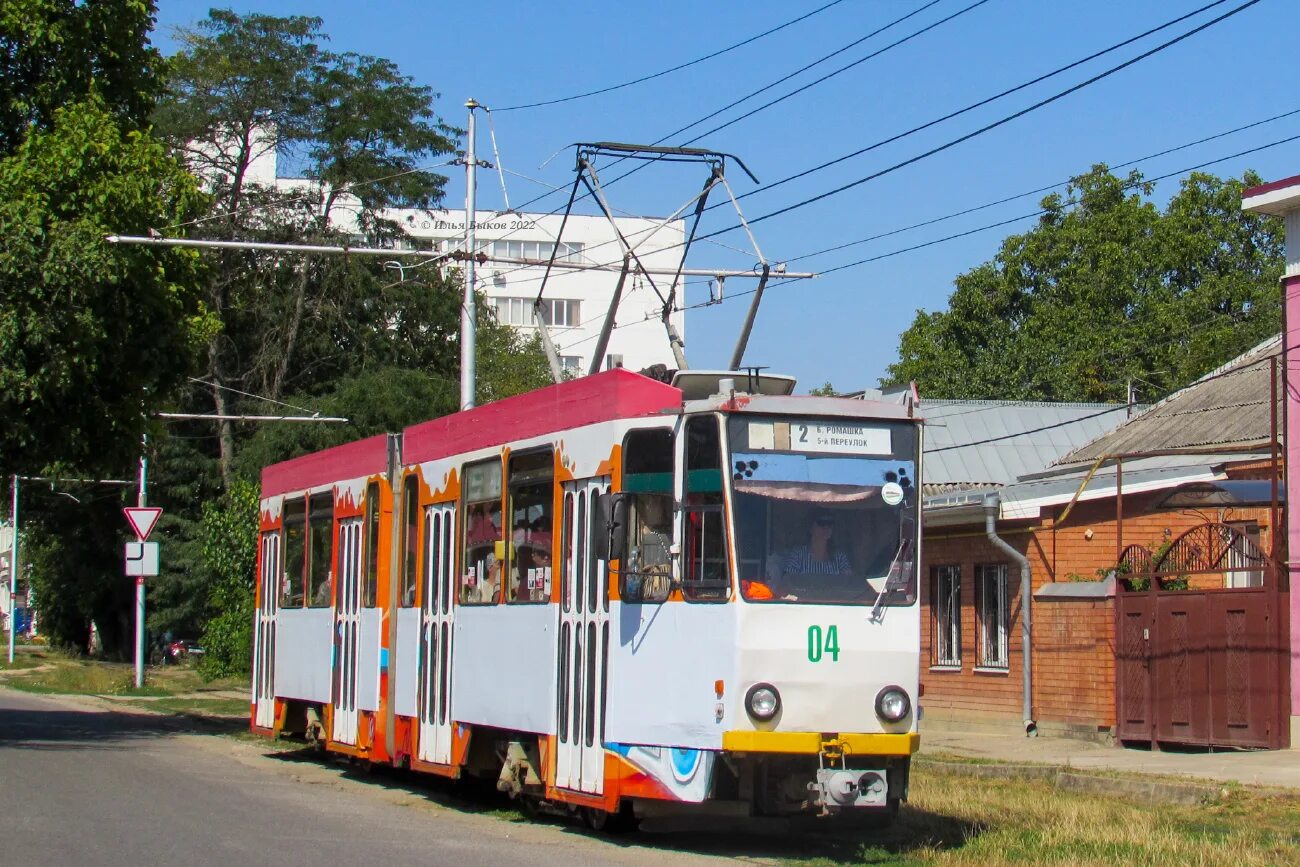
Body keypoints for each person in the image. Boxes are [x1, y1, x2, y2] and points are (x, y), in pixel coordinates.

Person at [774, 508, 852, 577]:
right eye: (821, 523)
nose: (826, 527)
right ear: (810, 527)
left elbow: (848, 584)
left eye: (830, 523)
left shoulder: (839, 557)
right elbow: (788, 583)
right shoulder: (798, 555)